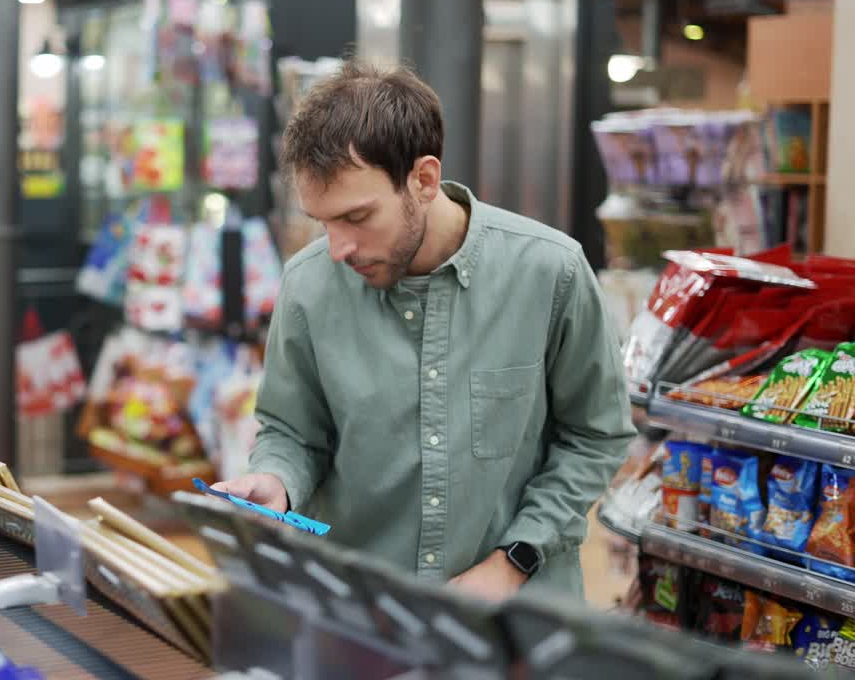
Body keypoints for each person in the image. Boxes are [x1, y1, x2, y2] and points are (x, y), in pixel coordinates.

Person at [212, 61, 635, 601]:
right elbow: (293, 432)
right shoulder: (308, 284)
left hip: (518, 624)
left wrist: (515, 559)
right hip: (361, 614)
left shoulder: (552, 271)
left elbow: (596, 435)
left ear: (424, 180)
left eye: (358, 217)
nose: (338, 248)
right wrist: (276, 481)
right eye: (323, 222)